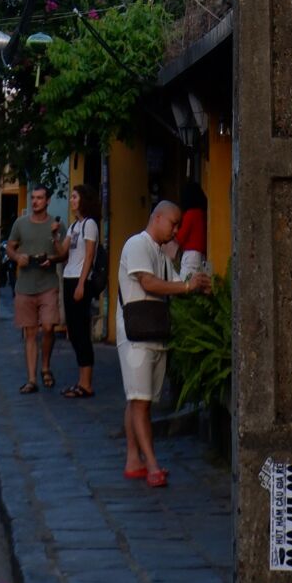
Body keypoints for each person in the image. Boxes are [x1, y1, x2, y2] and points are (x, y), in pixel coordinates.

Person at [117, 198, 212, 486]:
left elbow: (175, 282)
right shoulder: (137, 245)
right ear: (157, 218)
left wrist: (197, 285)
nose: (176, 230)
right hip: (136, 336)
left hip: (152, 332)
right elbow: (149, 283)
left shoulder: (159, 253)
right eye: (173, 223)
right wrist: (186, 286)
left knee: (137, 398)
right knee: (141, 401)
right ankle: (153, 464)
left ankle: (134, 459)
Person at [7, 184, 61, 392]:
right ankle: (32, 379)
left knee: (48, 327)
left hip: (48, 284)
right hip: (25, 285)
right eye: (33, 198)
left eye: (39, 198)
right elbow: (10, 248)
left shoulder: (55, 225)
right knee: (30, 333)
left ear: (47, 201)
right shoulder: (20, 224)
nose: (35, 201)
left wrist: (52, 259)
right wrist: (17, 257)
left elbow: (63, 253)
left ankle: (45, 366)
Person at [60, 183, 100, 401]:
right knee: (74, 332)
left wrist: (82, 284)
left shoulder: (90, 225)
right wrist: (54, 236)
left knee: (81, 331)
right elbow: (63, 251)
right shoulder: (74, 226)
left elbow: (90, 255)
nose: (72, 200)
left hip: (79, 280)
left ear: (83, 199)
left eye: (75, 197)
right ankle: (80, 380)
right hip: (68, 278)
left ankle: (86, 384)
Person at [175, 181, 208, 284]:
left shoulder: (190, 214)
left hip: (190, 255)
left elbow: (180, 237)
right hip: (201, 255)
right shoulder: (202, 213)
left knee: (184, 285)